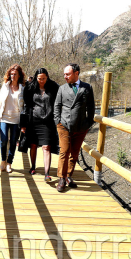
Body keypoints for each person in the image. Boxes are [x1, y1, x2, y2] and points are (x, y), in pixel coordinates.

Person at [54, 63, 95, 192]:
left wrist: (88, 123)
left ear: (76, 73)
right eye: (64, 74)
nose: (65, 76)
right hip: (64, 125)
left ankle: (69, 176)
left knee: (75, 153)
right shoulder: (62, 88)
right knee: (64, 151)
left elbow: (91, 107)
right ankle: (61, 177)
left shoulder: (87, 88)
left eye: (67, 74)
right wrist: (57, 122)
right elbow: (57, 105)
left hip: (81, 126)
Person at [20, 68, 59, 182]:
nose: (41, 81)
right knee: (33, 145)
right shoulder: (30, 87)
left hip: (48, 121)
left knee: (46, 146)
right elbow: (26, 106)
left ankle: (47, 173)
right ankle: (33, 166)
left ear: (47, 77)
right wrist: (23, 124)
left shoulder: (54, 87)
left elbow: (58, 103)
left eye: (43, 78)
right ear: (36, 77)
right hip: (33, 120)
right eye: (39, 78)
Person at [0, 64, 25, 173]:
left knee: (13, 142)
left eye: (15, 74)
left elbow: (24, 105)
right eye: (11, 74)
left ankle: (9, 163)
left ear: (19, 75)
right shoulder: (5, 86)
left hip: (16, 119)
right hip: (4, 118)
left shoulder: (22, 88)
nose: (13, 76)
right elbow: (0, 102)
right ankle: (3, 160)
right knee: (4, 140)